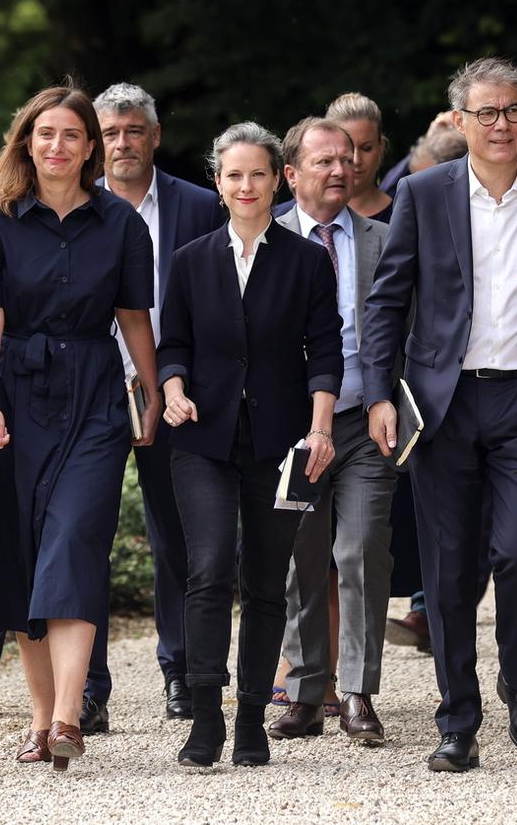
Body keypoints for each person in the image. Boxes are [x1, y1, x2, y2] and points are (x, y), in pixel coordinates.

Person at [361, 56, 517, 772]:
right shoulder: (425, 192)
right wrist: (379, 393)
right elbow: (387, 299)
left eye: (513, 111)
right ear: (459, 121)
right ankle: (457, 718)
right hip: (446, 402)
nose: (501, 124)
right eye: (486, 113)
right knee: (451, 567)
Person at [0, 82, 161, 773]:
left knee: (75, 542)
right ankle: (40, 722)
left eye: (71, 135)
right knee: (20, 554)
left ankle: (71, 714)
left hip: (95, 395)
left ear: (90, 148)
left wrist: (152, 388)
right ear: (26, 142)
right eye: (45, 134)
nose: (57, 145)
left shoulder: (121, 225)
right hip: (12, 393)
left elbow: (135, 316)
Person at [157, 121, 343, 768]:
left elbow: (325, 351)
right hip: (202, 441)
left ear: (278, 179)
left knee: (267, 583)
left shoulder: (305, 261)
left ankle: (252, 724)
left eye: (257, 174)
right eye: (233, 174)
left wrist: (321, 428)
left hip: (283, 445)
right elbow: (170, 345)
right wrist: (173, 388)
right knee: (207, 570)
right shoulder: (190, 260)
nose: (245, 185)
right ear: (218, 182)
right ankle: (204, 718)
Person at [79, 82, 228, 731]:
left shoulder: (199, 207)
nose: (122, 143)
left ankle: (180, 673)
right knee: (83, 538)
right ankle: (88, 688)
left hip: (178, 393)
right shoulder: (74, 208)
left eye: (133, 130)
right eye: (110, 132)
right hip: (89, 394)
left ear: (155, 136)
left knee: (179, 541)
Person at [268, 117, 396, 745]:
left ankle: (358, 692)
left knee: (362, 548)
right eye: (323, 161)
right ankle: (305, 690)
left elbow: (406, 328)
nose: (340, 169)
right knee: (299, 557)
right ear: (290, 174)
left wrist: (390, 398)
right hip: (290, 427)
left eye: (347, 158)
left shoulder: (384, 239)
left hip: (365, 423)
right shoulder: (263, 240)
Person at [325, 92, 394, 223]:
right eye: (347, 149)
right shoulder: (292, 217)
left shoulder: (404, 216)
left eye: (366, 148)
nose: (356, 160)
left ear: (381, 148)